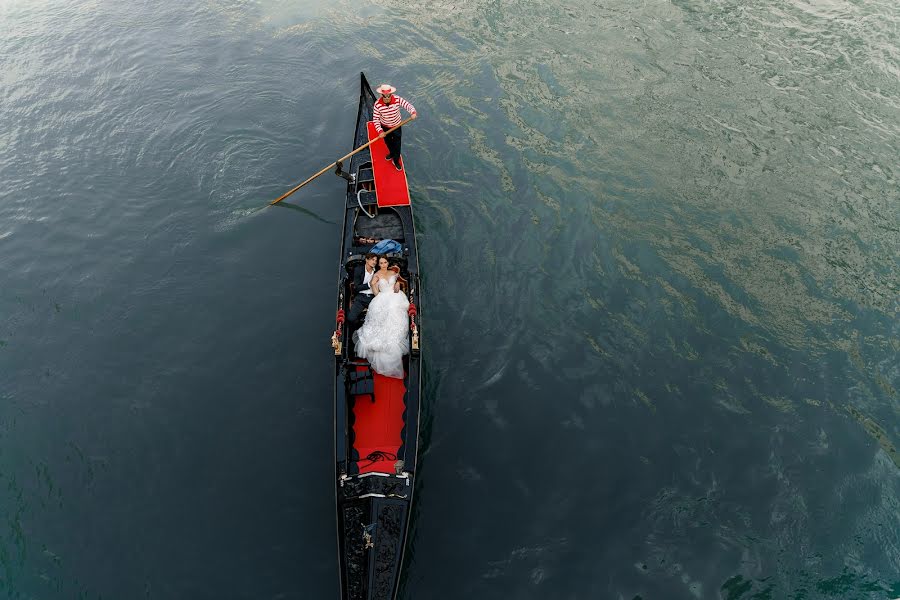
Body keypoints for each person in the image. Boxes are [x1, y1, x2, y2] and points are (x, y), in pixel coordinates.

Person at [352, 257, 410, 378]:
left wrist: (398, 283)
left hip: (396, 296)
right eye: (381, 263)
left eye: (385, 262)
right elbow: (374, 289)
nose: (383, 264)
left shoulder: (393, 272)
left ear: (388, 263)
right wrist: (378, 294)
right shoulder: (377, 275)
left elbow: (399, 281)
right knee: (387, 311)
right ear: (378, 265)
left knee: (396, 311)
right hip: (383, 297)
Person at [373, 84, 418, 172]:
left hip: (397, 126)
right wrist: (380, 130)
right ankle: (391, 153)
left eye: (388, 95)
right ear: (381, 95)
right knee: (388, 142)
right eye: (384, 96)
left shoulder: (397, 99)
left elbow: (408, 105)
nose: (386, 98)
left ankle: (396, 160)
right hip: (385, 127)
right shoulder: (377, 105)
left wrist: (413, 112)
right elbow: (375, 119)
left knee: (397, 144)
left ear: (391, 94)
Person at [347, 253, 378, 326]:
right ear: (367, 260)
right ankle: (360, 324)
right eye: (372, 260)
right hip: (361, 297)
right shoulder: (358, 270)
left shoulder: (377, 272)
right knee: (351, 318)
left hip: (373, 298)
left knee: (378, 319)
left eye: (376, 261)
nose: (374, 262)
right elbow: (356, 287)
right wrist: (369, 284)